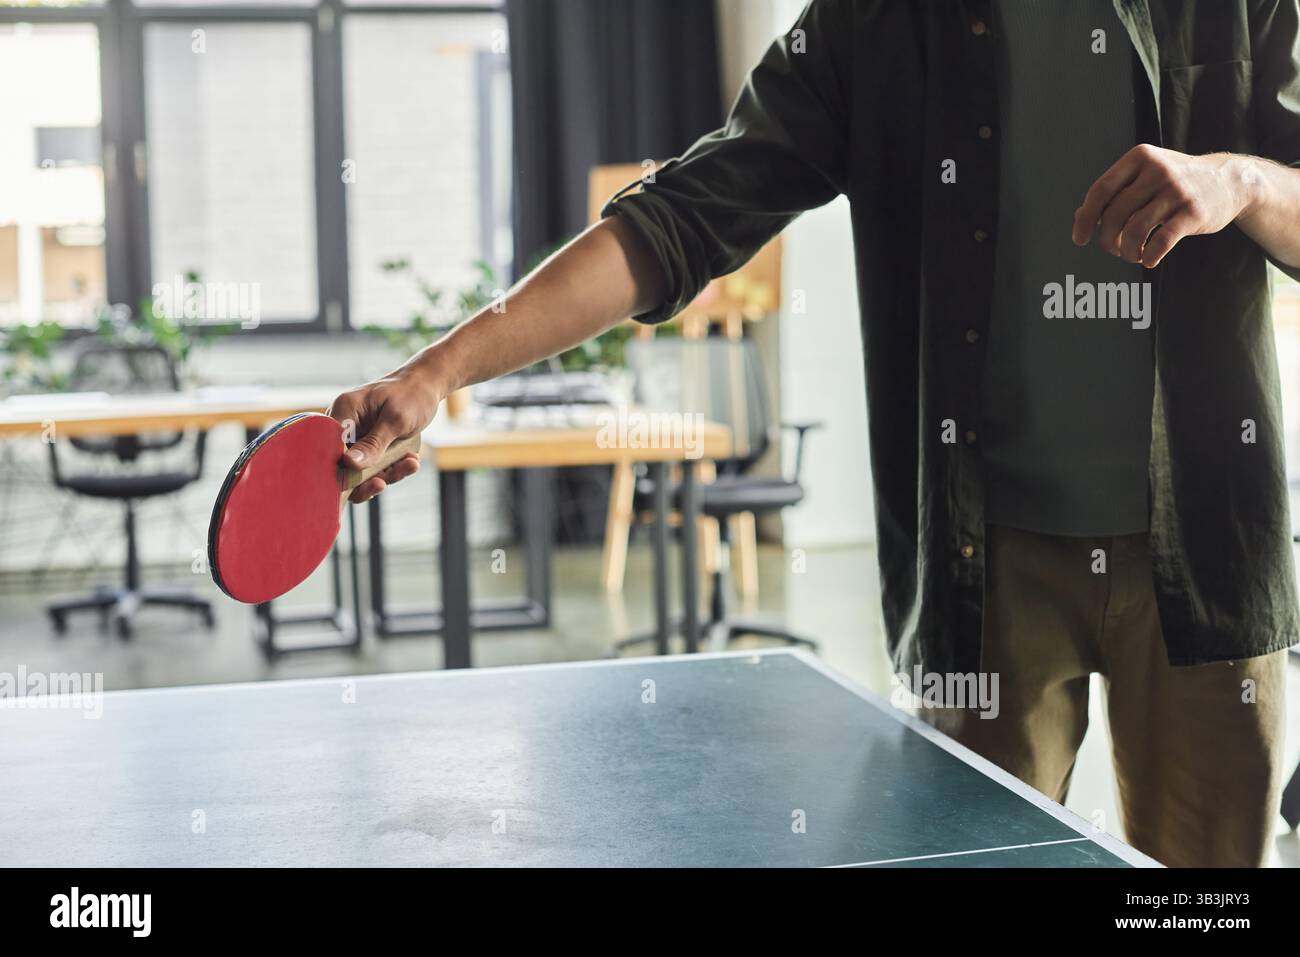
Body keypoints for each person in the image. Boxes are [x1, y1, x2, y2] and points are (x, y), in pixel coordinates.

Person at [328, 1, 1300, 867]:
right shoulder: (867, 26)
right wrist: (434, 373)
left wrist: (1241, 182)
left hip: (1206, 553)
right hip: (980, 567)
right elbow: (677, 218)